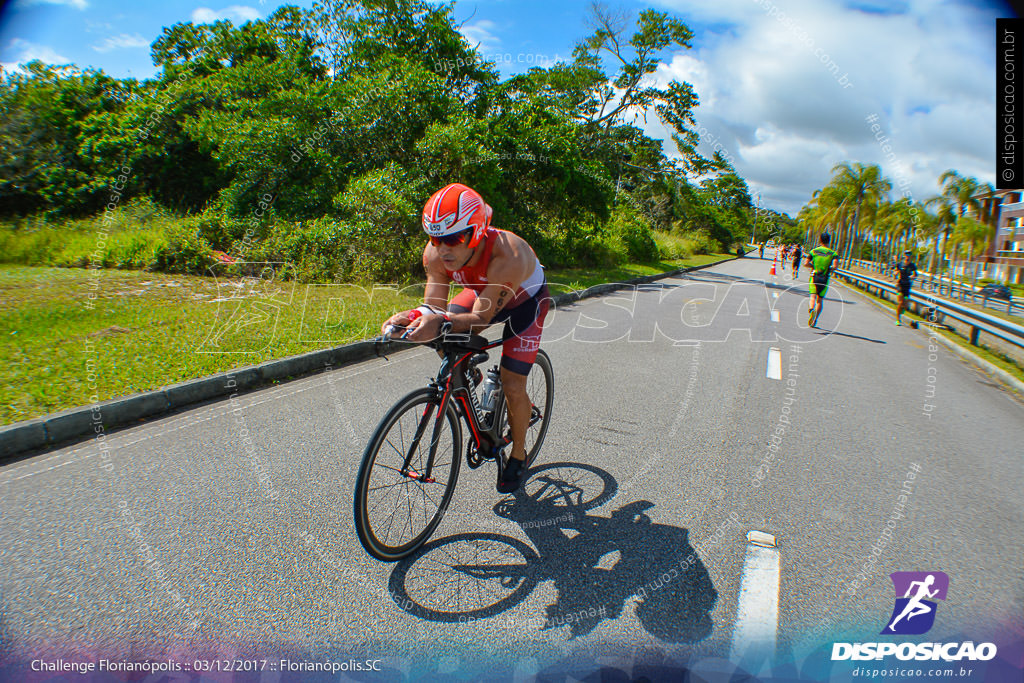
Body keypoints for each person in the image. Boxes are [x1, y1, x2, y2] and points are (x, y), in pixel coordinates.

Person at [380, 183, 549, 493]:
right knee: (445, 339)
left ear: (478, 230)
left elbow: (481, 317)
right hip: (484, 291)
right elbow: (434, 307)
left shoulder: (507, 255)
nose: (443, 249)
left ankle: (518, 453)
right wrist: (413, 316)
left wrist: (440, 321)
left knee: (513, 383)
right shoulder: (436, 255)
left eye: (454, 239)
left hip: (525, 302)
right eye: (435, 238)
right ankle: (467, 372)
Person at [807, 233, 838, 328]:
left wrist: (814, 267)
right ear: (829, 241)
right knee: (819, 300)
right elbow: (835, 266)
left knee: (812, 297)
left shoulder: (813, 251)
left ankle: (811, 309)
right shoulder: (833, 254)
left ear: (820, 240)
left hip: (814, 276)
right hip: (824, 278)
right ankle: (815, 319)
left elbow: (806, 263)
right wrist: (829, 269)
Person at [893, 250, 918, 326]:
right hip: (900, 284)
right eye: (906, 254)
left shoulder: (912, 265)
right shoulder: (900, 264)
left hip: (907, 285)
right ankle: (898, 319)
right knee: (900, 303)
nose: (908, 255)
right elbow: (895, 271)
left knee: (905, 303)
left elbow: (915, 274)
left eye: (909, 254)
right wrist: (895, 274)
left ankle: (903, 308)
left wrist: (912, 277)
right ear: (904, 255)